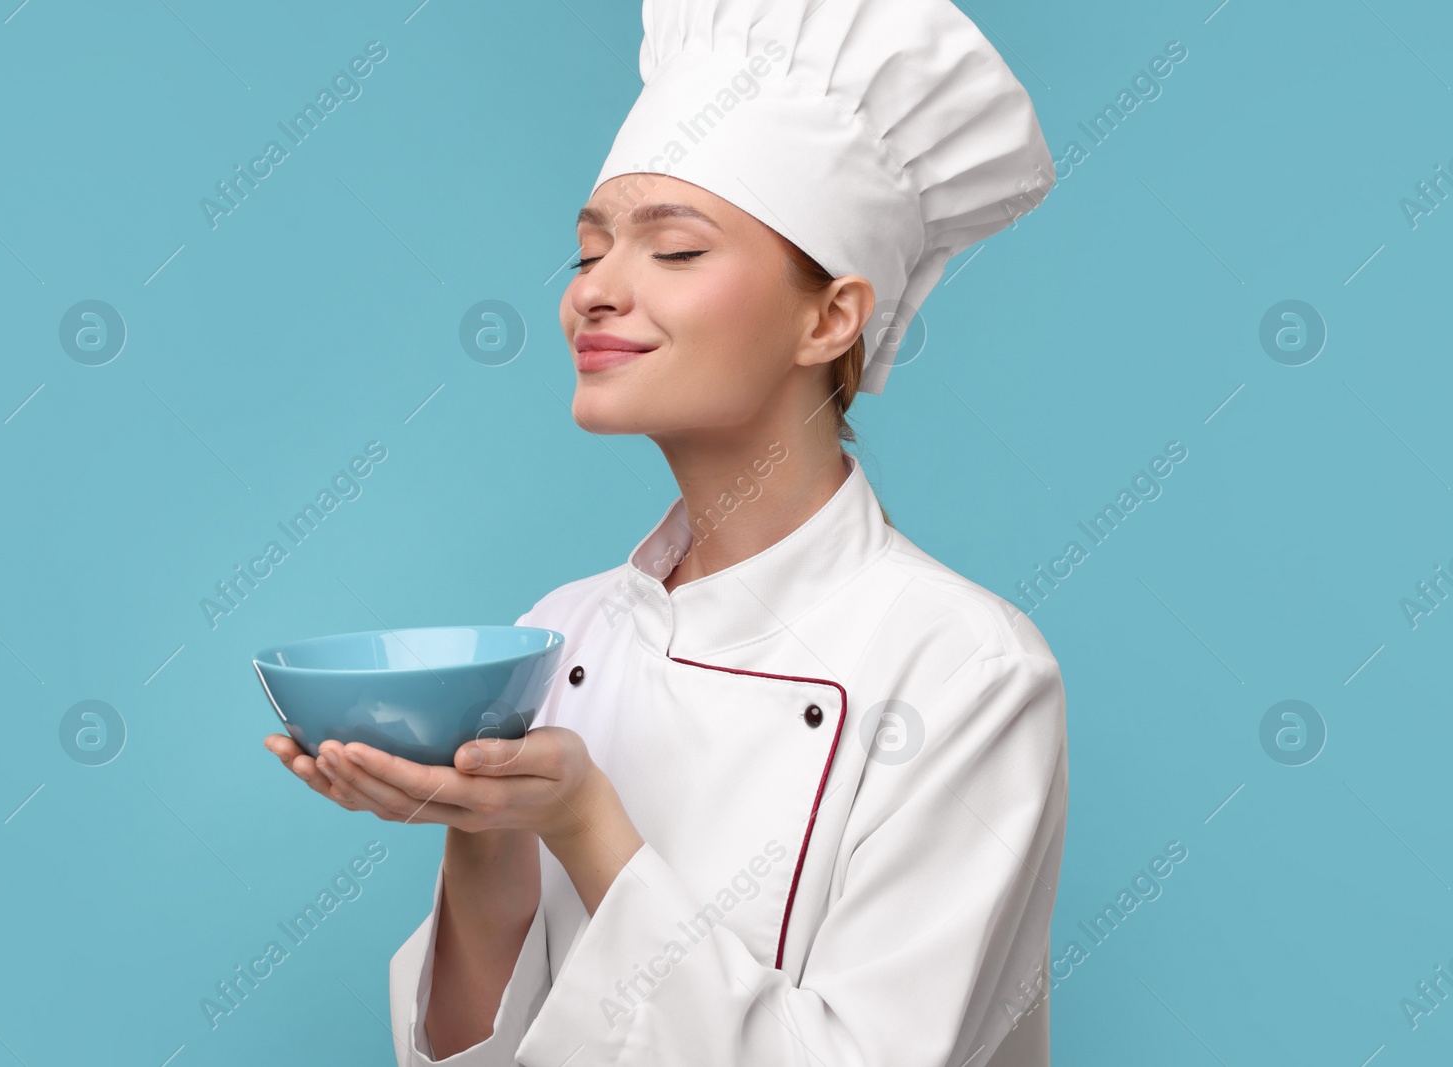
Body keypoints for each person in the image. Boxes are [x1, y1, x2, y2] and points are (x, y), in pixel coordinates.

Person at [264, 1, 1066, 1063]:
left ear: (829, 318)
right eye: (588, 251)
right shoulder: (558, 633)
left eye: (674, 249)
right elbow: (463, 1056)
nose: (594, 290)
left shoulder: (966, 672)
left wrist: (585, 817)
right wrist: (482, 823)